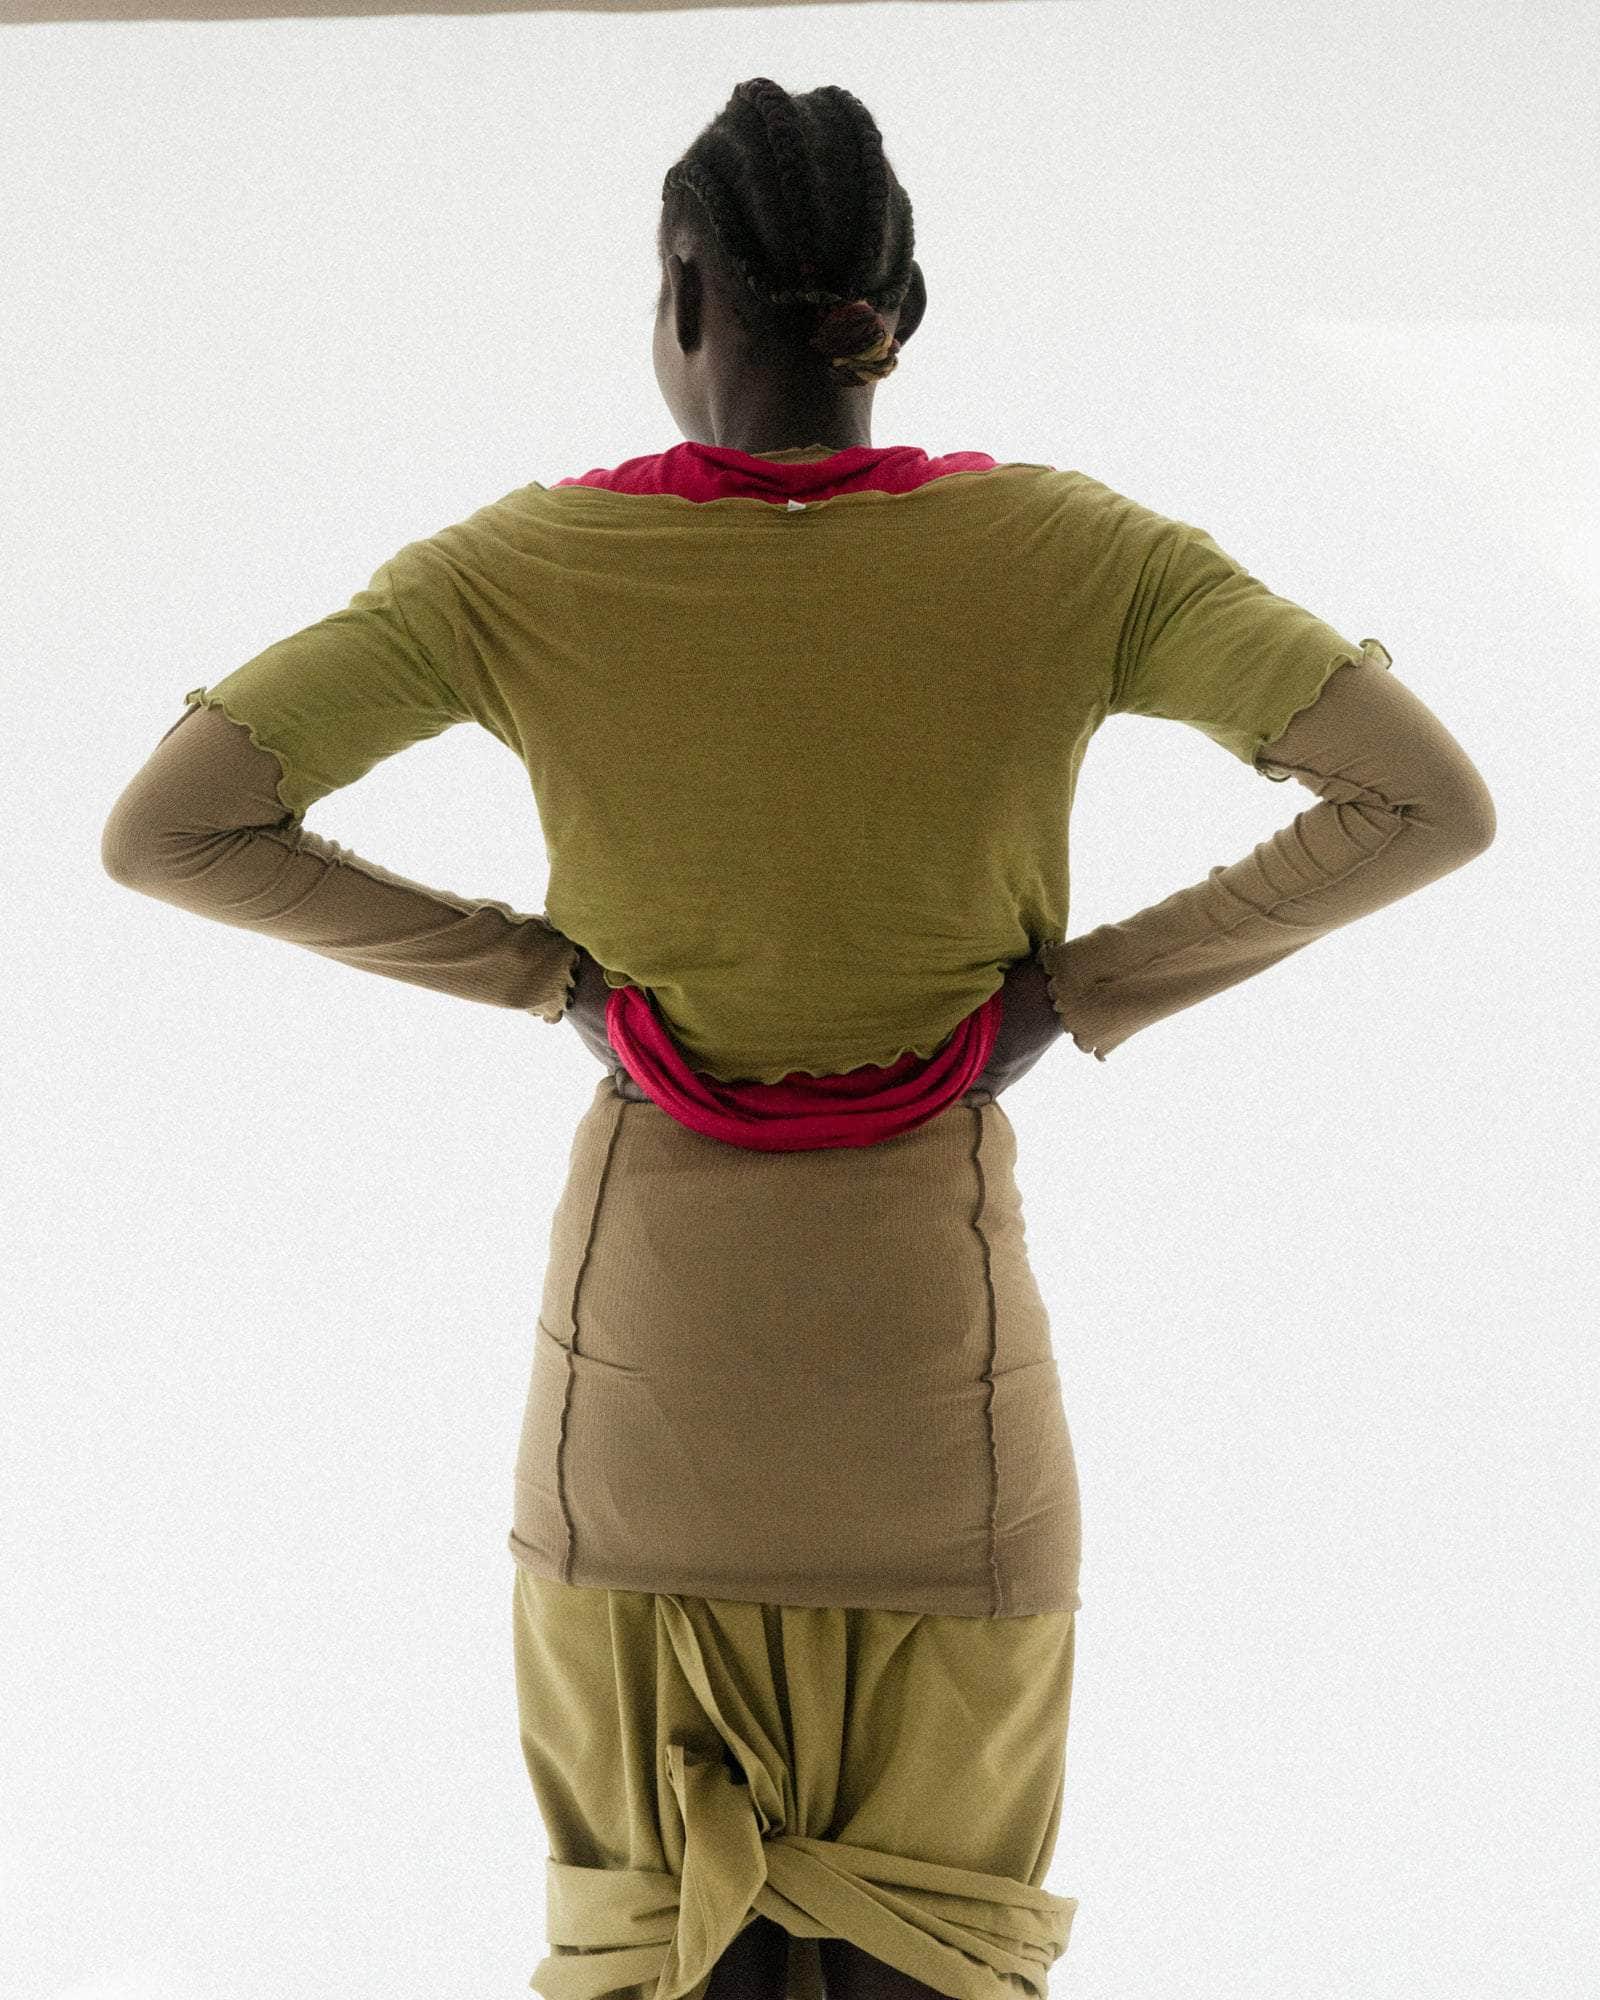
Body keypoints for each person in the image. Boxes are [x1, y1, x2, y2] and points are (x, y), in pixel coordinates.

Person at [100, 77, 1496, 2000]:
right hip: (947, 1428)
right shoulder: (1078, 553)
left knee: (649, 1960)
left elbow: (172, 828)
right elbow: (1424, 801)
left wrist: (556, 981)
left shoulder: (516, 574)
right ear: (895, 311)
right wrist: (1067, 997)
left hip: (640, 1419)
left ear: (686, 295)